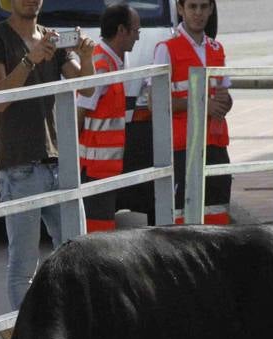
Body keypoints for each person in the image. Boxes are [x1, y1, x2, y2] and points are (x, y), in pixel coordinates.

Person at [0, 0, 96, 311]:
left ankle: (73, 328)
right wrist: (30, 61)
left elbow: (84, 88)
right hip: (19, 165)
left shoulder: (51, 38)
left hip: (58, 162)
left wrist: (86, 57)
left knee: (77, 253)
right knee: (23, 266)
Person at [154, 0, 232, 225]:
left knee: (218, 216)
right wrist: (203, 104)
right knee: (181, 221)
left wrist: (225, 103)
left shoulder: (217, 49)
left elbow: (224, 95)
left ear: (210, 9)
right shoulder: (166, 48)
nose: (198, 13)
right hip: (182, 148)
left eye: (204, 7)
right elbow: (155, 103)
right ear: (180, 9)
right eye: (192, 6)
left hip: (215, 145)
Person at [78, 2, 141, 232]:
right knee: (98, 232)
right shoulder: (101, 64)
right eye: (136, 31)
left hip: (105, 167)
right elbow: (79, 111)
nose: (137, 38)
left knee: (102, 229)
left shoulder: (113, 60)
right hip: (94, 167)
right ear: (122, 30)